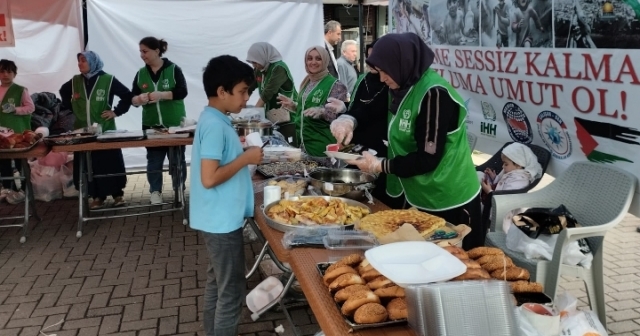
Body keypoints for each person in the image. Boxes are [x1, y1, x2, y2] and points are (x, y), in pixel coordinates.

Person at [337, 33, 484, 249]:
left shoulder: (434, 94)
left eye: (385, 71)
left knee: (456, 265)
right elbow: (371, 109)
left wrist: (380, 165)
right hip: (418, 194)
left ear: (401, 63)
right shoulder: (400, 85)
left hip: (448, 197)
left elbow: (428, 158)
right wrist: (349, 119)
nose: (382, 79)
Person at [190, 55, 263, 336]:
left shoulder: (214, 118)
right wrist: (246, 158)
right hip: (221, 221)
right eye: (243, 91)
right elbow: (209, 178)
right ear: (222, 92)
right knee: (231, 292)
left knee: (217, 283)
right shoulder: (215, 125)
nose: (246, 98)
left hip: (216, 218)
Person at [331, 39, 401, 208]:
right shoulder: (363, 80)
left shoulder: (393, 85)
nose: (372, 62)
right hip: (359, 149)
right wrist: (345, 115)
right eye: (368, 58)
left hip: (384, 152)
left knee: (380, 202)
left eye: (376, 58)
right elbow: (359, 108)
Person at [59, 51, 132, 209]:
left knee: (109, 162)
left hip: (105, 130)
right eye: (79, 61)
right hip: (83, 132)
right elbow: (63, 92)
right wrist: (72, 108)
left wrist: (116, 112)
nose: (80, 64)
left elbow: (127, 96)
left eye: (83, 61)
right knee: (89, 164)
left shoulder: (108, 79)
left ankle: (118, 195)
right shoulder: (75, 81)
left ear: (93, 62)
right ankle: (96, 196)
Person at [131, 37, 188, 205]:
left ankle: (179, 188)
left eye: (145, 51)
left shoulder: (173, 69)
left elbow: (182, 92)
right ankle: (155, 191)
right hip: (151, 126)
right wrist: (138, 99)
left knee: (177, 159)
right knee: (154, 161)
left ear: (157, 51)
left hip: (174, 125)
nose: (142, 55)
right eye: (140, 51)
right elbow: (132, 98)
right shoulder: (141, 73)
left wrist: (162, 95)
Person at [277, 46, 348, 157]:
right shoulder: (307, 81)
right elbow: (308, 107)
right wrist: (295, 106)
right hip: (303, 144)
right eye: (309, 58)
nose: (313, 62)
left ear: (325, 61)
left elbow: (339, 116)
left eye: (318, 58)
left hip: (322, 148)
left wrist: (322, 111)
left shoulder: (336, 85)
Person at [0, 59, 35, 204]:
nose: (5, 75)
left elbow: (30, 107)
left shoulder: (21, 90)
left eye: (9, 72)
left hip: (18, 133)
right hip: (2, 134)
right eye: (2, 71)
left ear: (14, 74)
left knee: (21, 161)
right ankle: (8, 188)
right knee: (4, 162)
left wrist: (16, 109)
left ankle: (25, 189)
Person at [246, 42, 298, 113]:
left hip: (287, 113)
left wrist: (254, 112)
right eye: (252, 63)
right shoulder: (259, 69)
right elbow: (249, 87)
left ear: (262, 57)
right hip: (272, 114)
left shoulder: (279, 68)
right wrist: (240, 103)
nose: (253, 66)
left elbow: (268, 92)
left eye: (255, 62)